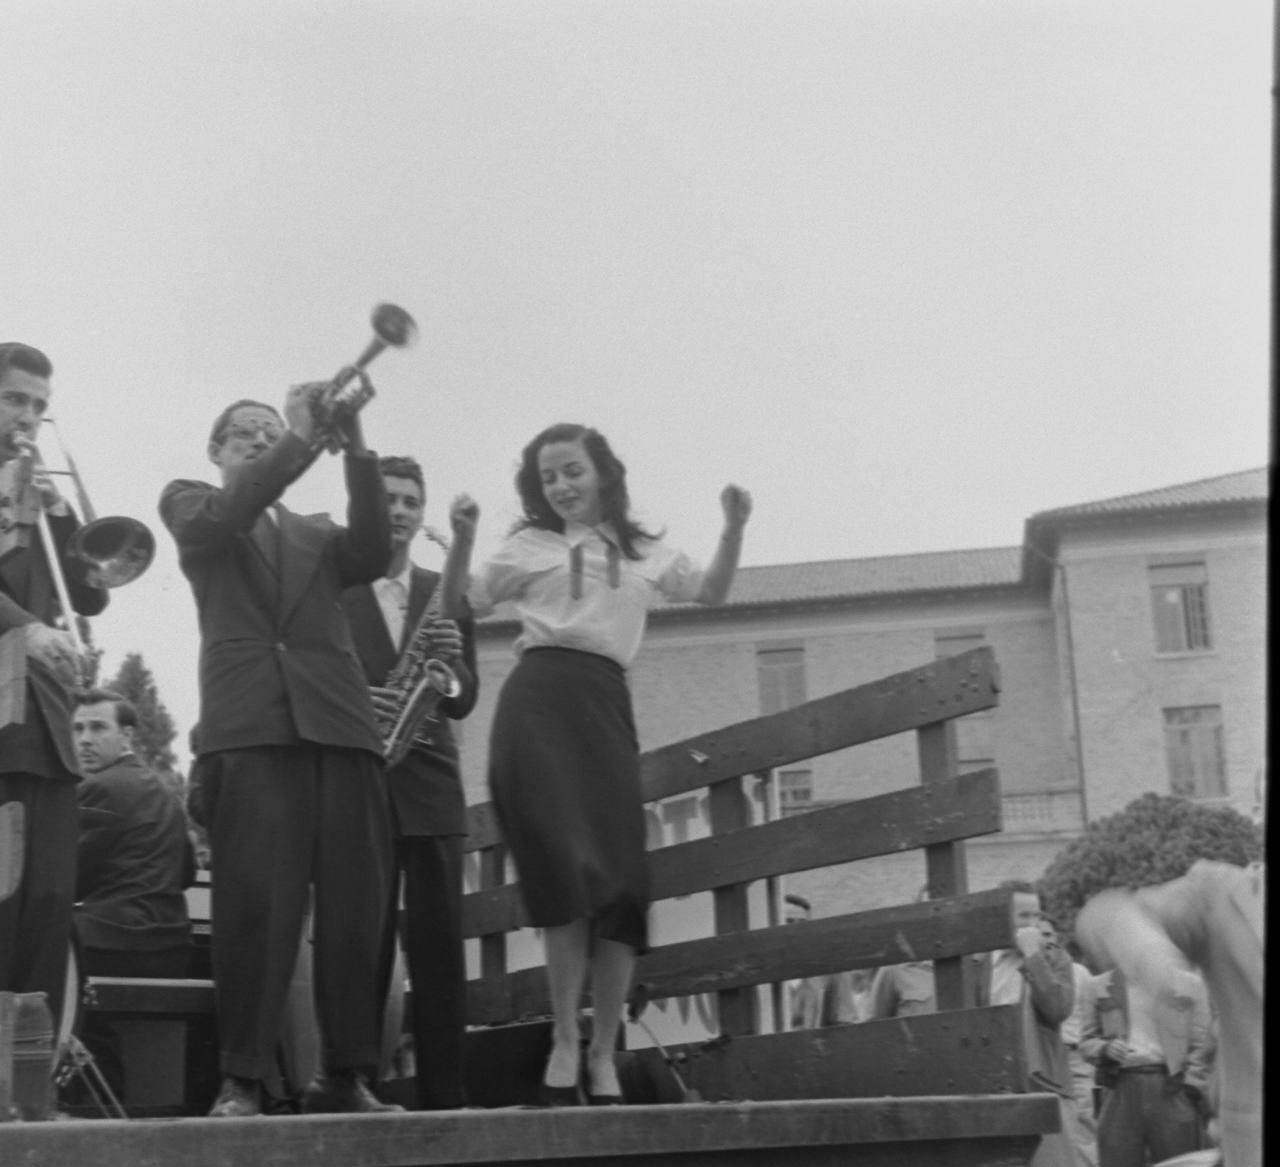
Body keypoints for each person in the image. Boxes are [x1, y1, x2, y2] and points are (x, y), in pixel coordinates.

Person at [445, 422, 751, 1105]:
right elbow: (457, 602)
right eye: (548, 476)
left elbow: (711, 590)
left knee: (619, 884)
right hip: (538, 706)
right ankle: (562, 1037)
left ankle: (605, 1048)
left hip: (603, 706)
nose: (561, 485)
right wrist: (463, 535)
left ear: (603, 472)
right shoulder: (528, 545)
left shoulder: (640, 550)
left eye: (572, 471)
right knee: (563, 872)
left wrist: (732, 525)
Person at [159, 387, 400, 1118]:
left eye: (270, 429)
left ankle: (348, 1072)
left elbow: (375, 547)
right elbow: (235, 505)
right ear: (216, 452)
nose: (260, 440)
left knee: (358, 911)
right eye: (245, 433)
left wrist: (354, 441)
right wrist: (297, 438)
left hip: (341, 725)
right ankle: (244, 1077)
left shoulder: (318, 532)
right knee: (254, 911)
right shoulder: (191, 504)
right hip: (251, 729)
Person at [341, 454, 478, 1110]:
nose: (398, 511)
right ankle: (357, 1082)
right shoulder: (334, 586)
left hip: (432, 785)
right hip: (366, 782)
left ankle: (446, 1095)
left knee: (440, 946)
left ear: (422, 512)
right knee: (363, 941)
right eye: (387, 499)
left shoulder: (445, 587)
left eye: (409, 501)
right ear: (366, 509)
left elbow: (464, 696)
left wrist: (450, 663)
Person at [0, 341, 108, 1034]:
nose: (29, 417)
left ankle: (26, 1095)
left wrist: (63, 515)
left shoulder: (38, 495)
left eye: (40, 405)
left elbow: (93, 599)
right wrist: (28, 629)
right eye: (16, 399)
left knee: (44, 903)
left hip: (48, 735)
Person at [1076, 860, 1262, 1167]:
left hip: (1171, 1085)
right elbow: (1111, 914)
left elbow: (1202, 1036)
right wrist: (1147, 949)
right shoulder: (1226, 893)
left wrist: (1193, 1084)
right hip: (1126, 1083)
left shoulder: (1192, 986)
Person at [73, 689, 195, 976]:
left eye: (98, 727)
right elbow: (186, 874)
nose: (85, 740)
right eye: (78, 729)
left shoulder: (99, 787)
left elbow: (67, 878)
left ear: (126, 736)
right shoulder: (168, 795)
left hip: (112, 942)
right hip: (174, 945)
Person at [975, 881, 1089, 1167]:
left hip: (1045, 1086)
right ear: (1001, 918)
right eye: (1023, 916)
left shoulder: (1055, 959)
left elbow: (1057, 1009)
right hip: (995, 1090)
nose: (1033, 924)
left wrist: (1033, 958)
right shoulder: (979, 965)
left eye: (1036, 916)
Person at [1077, 961, 1210, 1167]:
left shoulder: (1190, 985)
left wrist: (1190, 1089)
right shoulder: (1098, 986)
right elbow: (1086, 1041)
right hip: (1119, 1086)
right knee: (1116, 1159)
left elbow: (1202, 1043)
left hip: (1172, 1085)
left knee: (1181, 1161)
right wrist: (1105, 1049)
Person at [782, 894, 857, 1028]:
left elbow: (845, 1025)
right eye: (788, 922)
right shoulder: (759, 972)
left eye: (802, 925)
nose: (794, 931)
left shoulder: (831, 970)